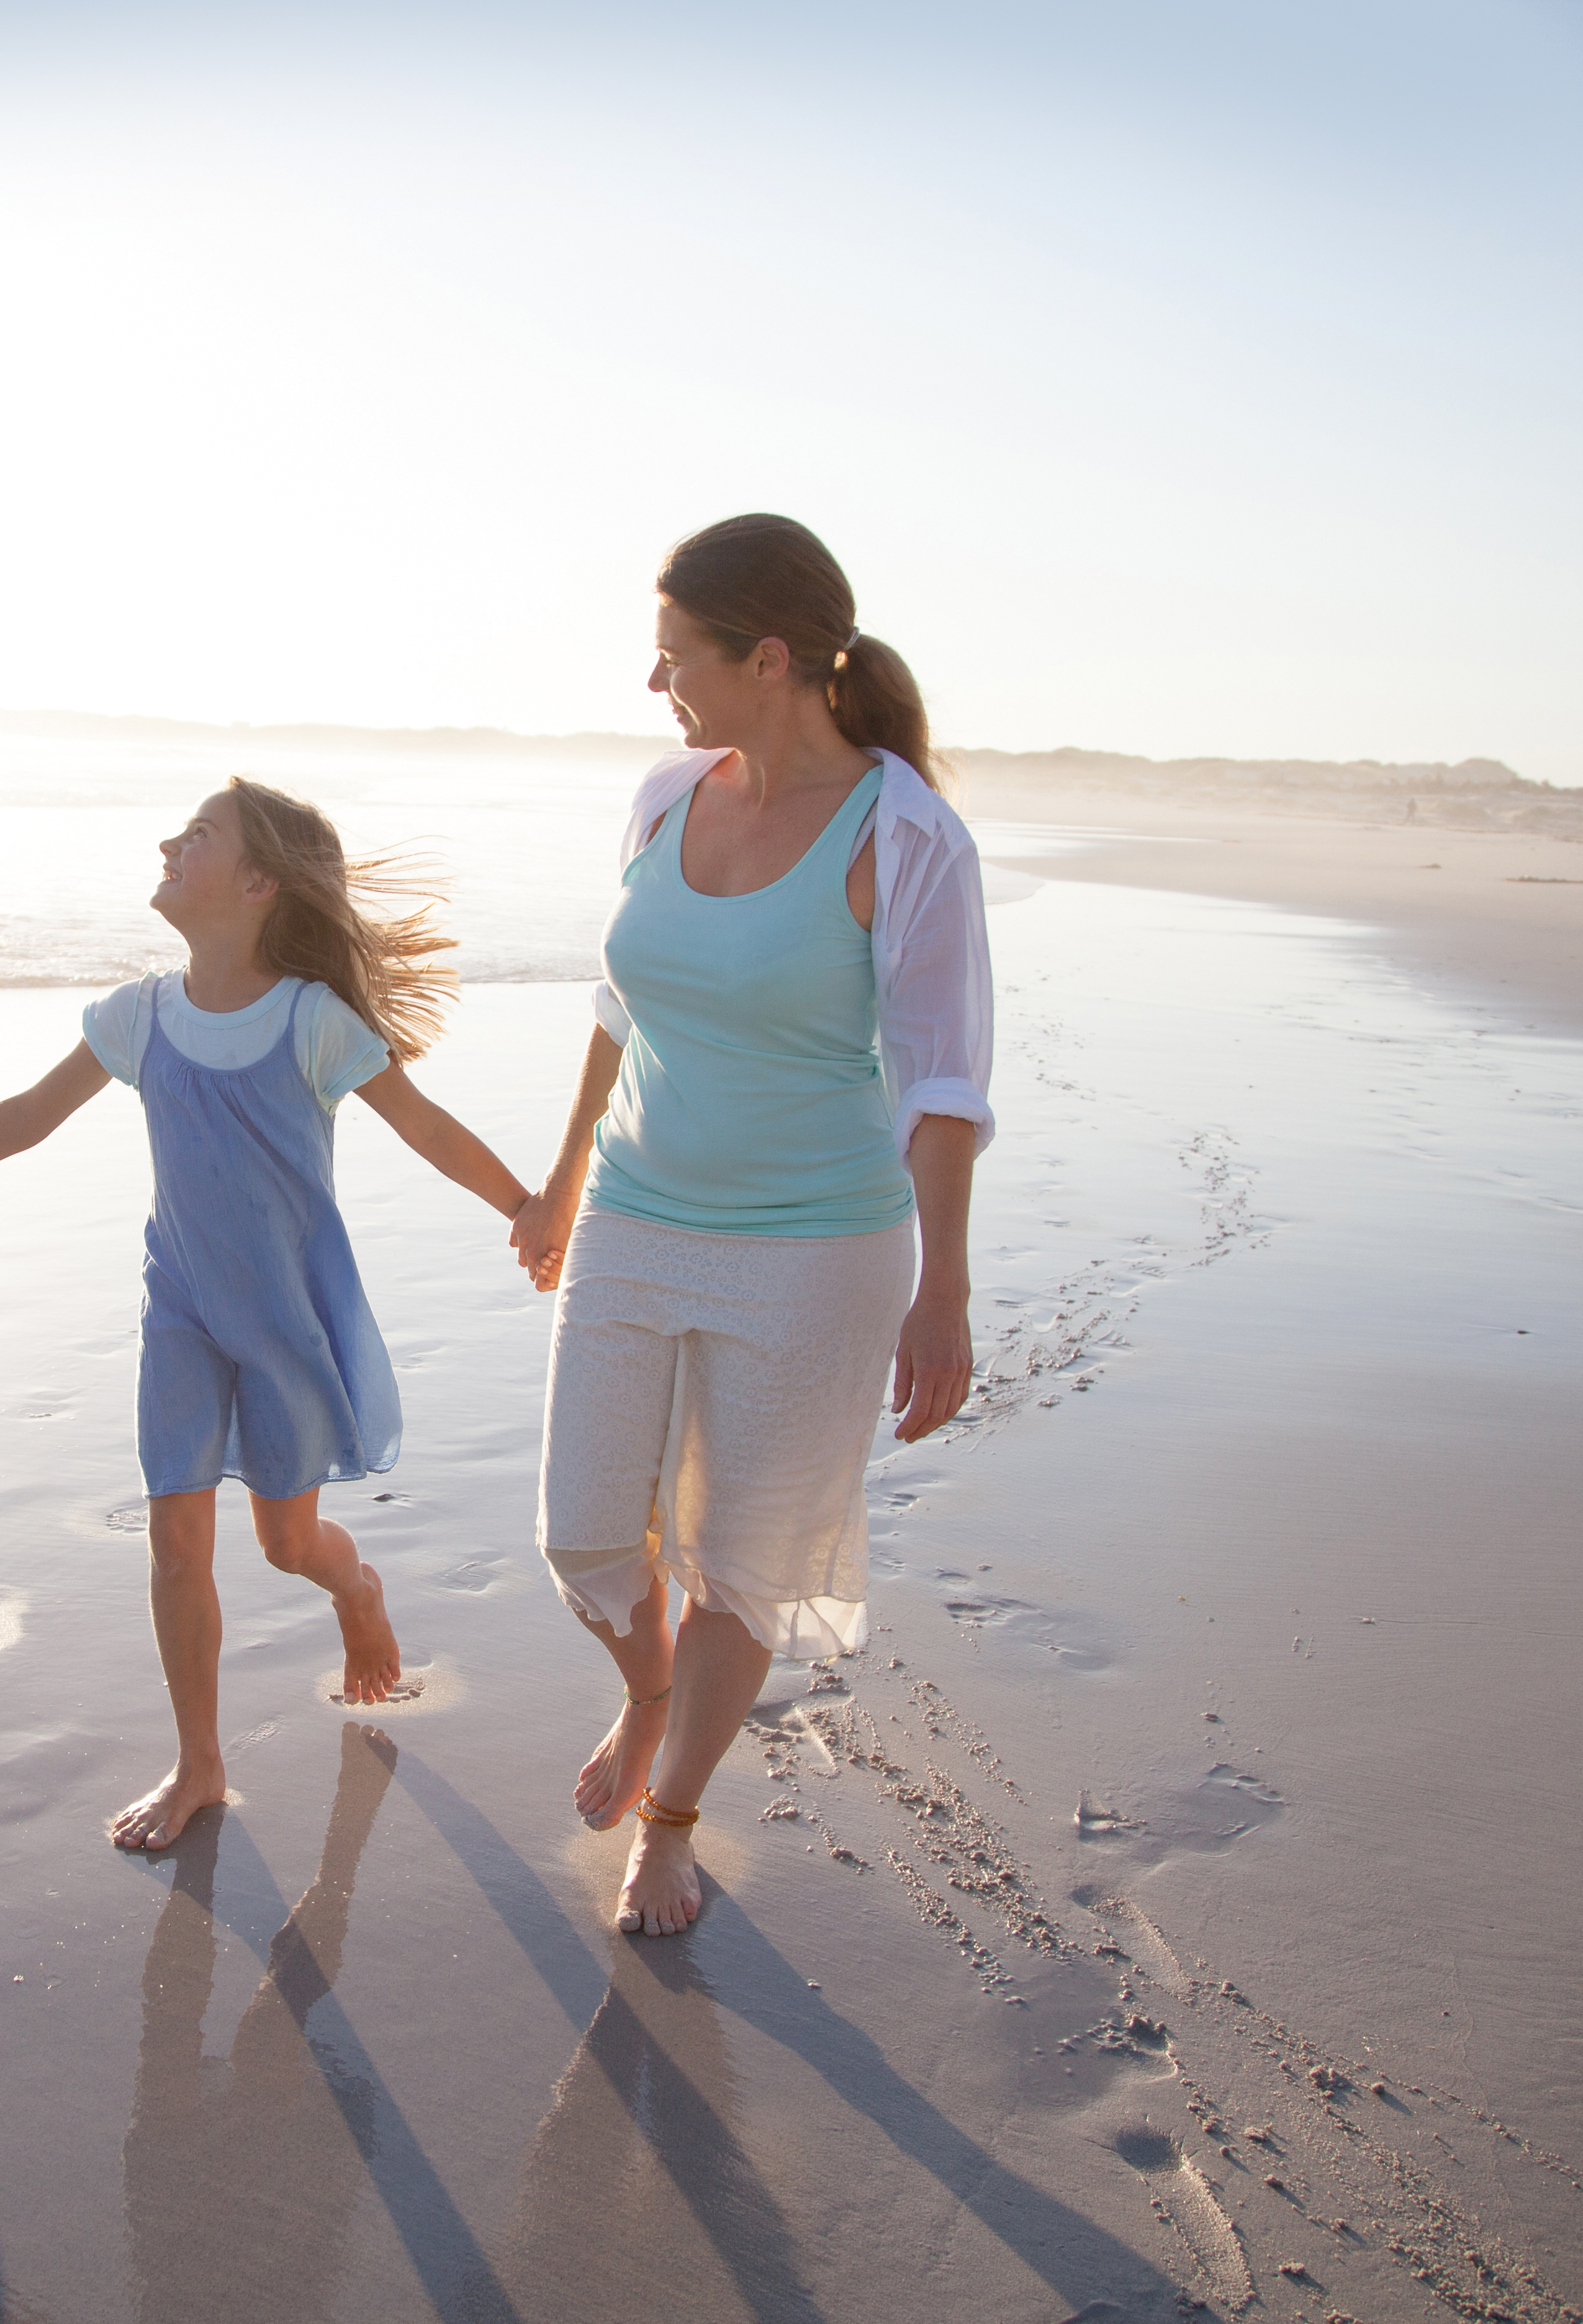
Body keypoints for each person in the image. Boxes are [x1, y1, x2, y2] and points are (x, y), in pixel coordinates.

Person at [508, 515, 996, 1938]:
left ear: (768, 659)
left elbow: (943, 1084)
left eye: (678, 658)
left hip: (817, 1248)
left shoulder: (907, 839)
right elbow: (621, 1008)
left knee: (739, 1560)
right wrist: (558, 1182)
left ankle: (671, 1819)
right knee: (584, 1529)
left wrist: (945, 1289)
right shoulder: (665, 798)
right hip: (636, 1212)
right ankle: (647, 1695)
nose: (658, 685)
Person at [0, 780, 532, 1850]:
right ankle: (200, 1763)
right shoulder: (138, 1015)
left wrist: (526, 1207)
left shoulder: (312, 1023)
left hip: (286, 1325)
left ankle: (358, 1589)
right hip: (182, 1312)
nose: (168, 842)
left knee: (289, 1545)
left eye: (196, 836)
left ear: (255, 884)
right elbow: (26, 1117)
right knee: (176, 1543)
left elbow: (425, 1126)